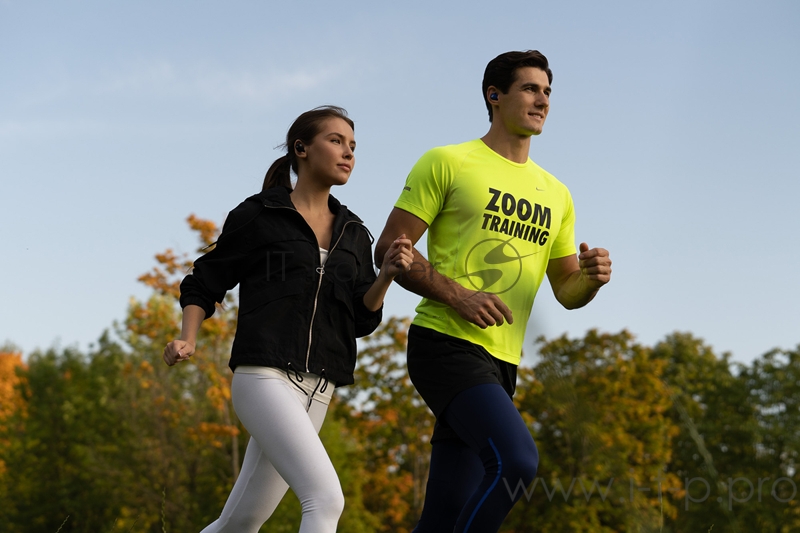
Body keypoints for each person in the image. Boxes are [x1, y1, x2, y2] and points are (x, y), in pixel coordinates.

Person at [374, 50, 612, 532]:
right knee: (517, 462)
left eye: (547, 91)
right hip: (444, 344)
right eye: (530, 88)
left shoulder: (557, 194)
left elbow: (566, 291)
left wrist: (590, 279)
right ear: (494, 95)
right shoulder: (448, 162)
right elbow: (390, 250)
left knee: (443, 516)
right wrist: (457, 295)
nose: (542, 100)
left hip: (502, 362)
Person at [163, 106, 413, 533]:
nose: (348, 153)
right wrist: (188, 336)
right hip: (264, 378)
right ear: (301, 148)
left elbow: (360, 319)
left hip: (319, 389)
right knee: (325, 500)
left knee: (241, 522)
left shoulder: (354, 232)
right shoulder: (260, 215)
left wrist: (386, 277)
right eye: (335, 141)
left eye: (353, 146)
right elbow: (204, 280)